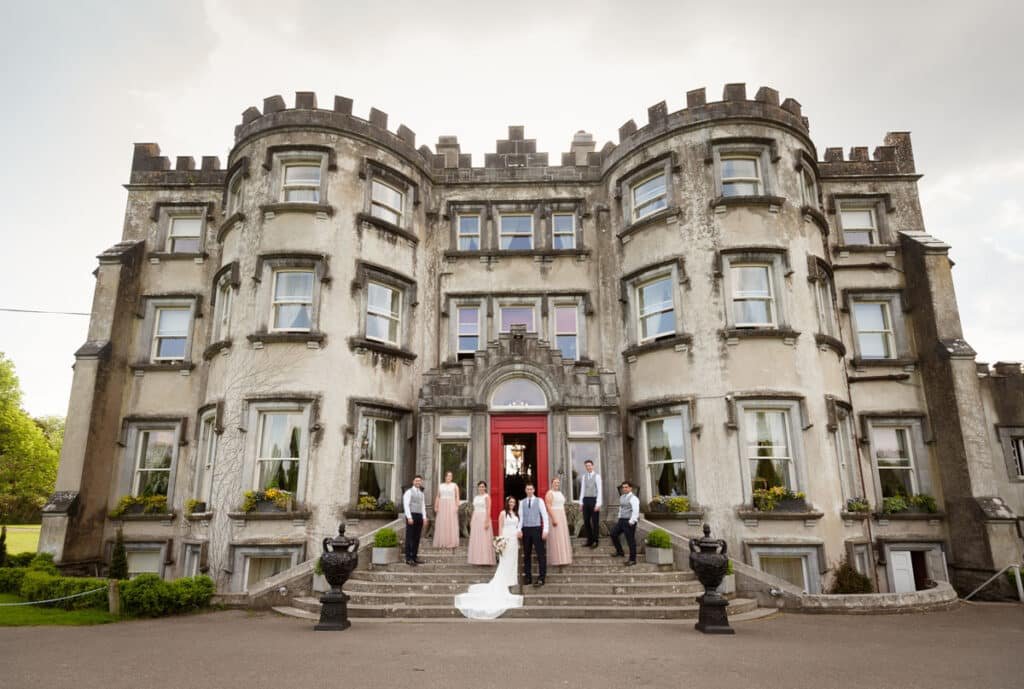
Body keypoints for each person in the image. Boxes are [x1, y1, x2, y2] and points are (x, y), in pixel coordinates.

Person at [454, 496, 524, 619]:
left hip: (514, 539)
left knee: (513, 561)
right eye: (510, 502)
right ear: (507, 503)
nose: (512, 503)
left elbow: (518, 527)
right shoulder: (503, 513)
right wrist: (501, 541)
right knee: (505, 561)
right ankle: (503, 580)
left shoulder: (516, 514)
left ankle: (511, 579)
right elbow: (501, 527)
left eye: (514, 502)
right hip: (506, 538)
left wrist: (518, 535)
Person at [517, 482, 549, 586]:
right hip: (526, 530)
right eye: (528, 489)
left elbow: (544, 516)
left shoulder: (539, 501)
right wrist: (519, 529)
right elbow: (521, 518)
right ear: (525, 490)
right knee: (527, 555)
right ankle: (528, 577)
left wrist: (545, 530)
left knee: (540, 554)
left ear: (534, 490)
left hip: (536, 529)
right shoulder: (522, 502)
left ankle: (541, 577)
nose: (529, 491)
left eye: (531, 489)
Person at [609, 481, 640, 566]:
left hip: (629, 521)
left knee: (630, 541)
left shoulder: (634, 498)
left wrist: (631, 521)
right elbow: (621, 508)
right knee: (613, 534)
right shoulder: (622, 497)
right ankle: (620, 551)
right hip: (621, 520)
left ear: (630, 488)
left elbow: (636, 511)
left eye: (626, 487)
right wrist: (619, 516)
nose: (624, 489)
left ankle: (632, 560)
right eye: (623, 487)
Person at [545, 477, 573, 566]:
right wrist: (554, 518)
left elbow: (562, 505)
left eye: (558, 482)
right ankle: (557, 559)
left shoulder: (560, 493)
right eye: (555, 482)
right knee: (556, 536)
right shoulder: (549, 493)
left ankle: (564, 558)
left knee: (562, 536)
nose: (557, 484)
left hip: (561, 515)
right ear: (551, 483)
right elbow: (548, 507)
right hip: (555, 515)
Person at [466, 481, 495, 566]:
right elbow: (474, 510)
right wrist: (471, 521)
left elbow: (488, 509)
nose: (481, 488)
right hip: (476, 518)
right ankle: (477, 559)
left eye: (483, 486)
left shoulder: (487, 496)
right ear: (478, 488)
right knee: (477, 539)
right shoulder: (476, 498)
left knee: (484, 539)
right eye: (480, 486)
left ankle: (485, 560)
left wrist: (487, 521)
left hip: (484, 517)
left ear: (485, 488)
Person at [402, 475, 429, 566]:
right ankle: (408, 558)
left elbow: (423, 506)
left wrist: (424, 517)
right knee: (410, 537)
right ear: (413, 482)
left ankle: (414, 556)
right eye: (416, 480)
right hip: (412, 515)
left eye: (419, 481)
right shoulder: (409, 492)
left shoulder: (422, 493)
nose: (418, 482)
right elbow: (406, 505)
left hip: (419, 516)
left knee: (417, 537)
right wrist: (409, 517)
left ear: (421, 482)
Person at [577, 459, 603, 548]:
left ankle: (596, 540)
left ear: (592, 466)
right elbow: (582, 490)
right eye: (586, 466)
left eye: (589, 465)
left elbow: (599, 490)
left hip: (594, 500)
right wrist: (581, 503)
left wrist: (598, 504)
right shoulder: (584, 477)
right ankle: (589, 540)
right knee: (586, 521)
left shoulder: (597, 476)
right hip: (586, 501)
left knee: (595, 522)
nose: (588, 467)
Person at [432, 471, 460, 549]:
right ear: (445, 477)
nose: (449, 477)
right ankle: (442, 541)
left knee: (451, 523)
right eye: (448, 476)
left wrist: (457, 506)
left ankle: (451, 542)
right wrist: (436, 506)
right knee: (442, 522)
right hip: (442, 505)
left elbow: (457, 496)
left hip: (451, 505)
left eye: (450, 476)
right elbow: (438, 496)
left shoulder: (454, 485)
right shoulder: (441, 486)